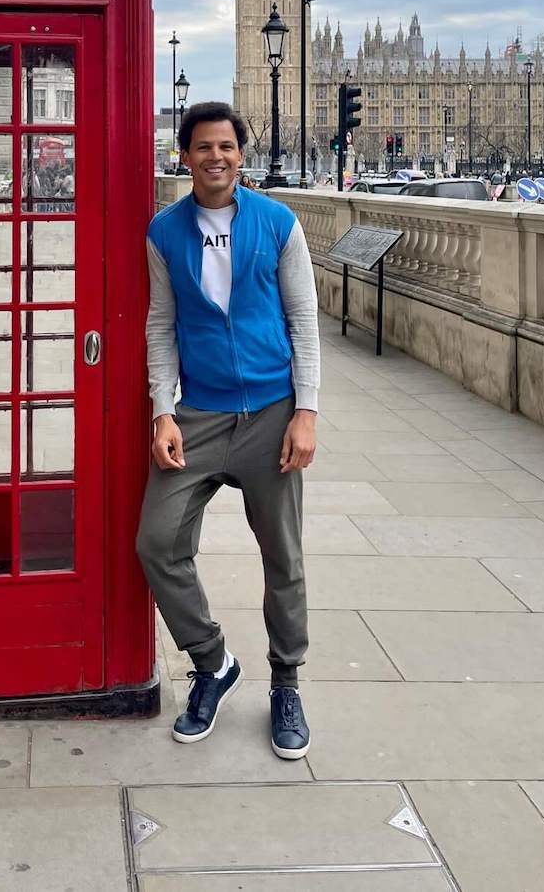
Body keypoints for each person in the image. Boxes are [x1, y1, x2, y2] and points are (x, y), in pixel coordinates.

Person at [137, 101, 320, 761]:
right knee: (156, 540)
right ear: (183, 156)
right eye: (203, 147)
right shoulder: (165, 231)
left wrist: (308, 410)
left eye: (227, 146)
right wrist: (163, 409)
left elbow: (304, 321)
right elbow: (161, 326)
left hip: (272, 409)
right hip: (201, 413)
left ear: (242, 153)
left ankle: (287, 683)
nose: (216, 156)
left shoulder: (277, 222)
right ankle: (212, 661)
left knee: (283, 558)